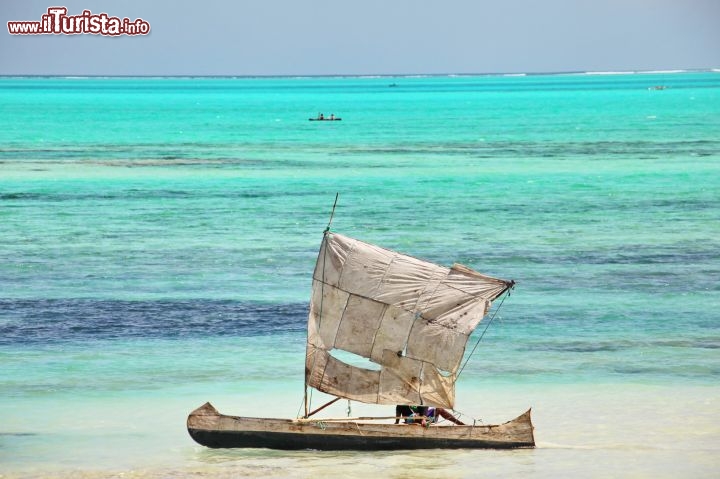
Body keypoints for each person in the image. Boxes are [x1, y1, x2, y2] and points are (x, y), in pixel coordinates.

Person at [395, 405, 465, 426]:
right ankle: (424, 421)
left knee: (439, 409)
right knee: (415, 415)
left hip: (423, 417)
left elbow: (424, 407)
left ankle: (458, 423)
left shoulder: (418, 399)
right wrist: (397, 422)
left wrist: (423, 418)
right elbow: (398, 410)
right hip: (411, 419)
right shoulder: (402, 403)